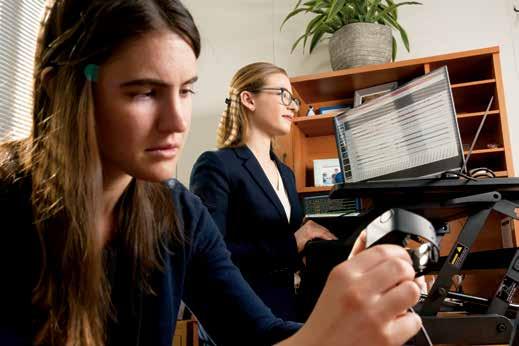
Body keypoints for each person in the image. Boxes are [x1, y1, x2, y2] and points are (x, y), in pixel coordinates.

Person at [0, 1, 423, 345]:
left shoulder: (178, 212)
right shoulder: (9, 200)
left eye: (186, 91)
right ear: (61, 88)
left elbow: (256, 334)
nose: (177, 121)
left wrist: (339, 326)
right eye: (145, 92)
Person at [189, 62, 338, 321]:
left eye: (293, 99)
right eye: (283, 94)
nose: (293, 105)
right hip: (242, 318)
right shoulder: (216, 165)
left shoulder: (287, 174)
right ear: (249, 99)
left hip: (291, 312)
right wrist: (292, 243)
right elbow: (208, 255)